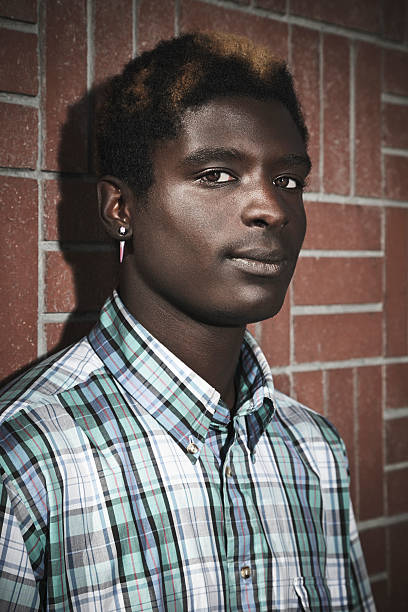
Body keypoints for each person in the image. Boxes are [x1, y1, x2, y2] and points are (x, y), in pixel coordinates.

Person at [0, 32, 375, 611]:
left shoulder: (315, 451)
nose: (272, 209)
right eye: (217, 174)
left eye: (289, 180)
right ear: (120, 209)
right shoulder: (25, 459)